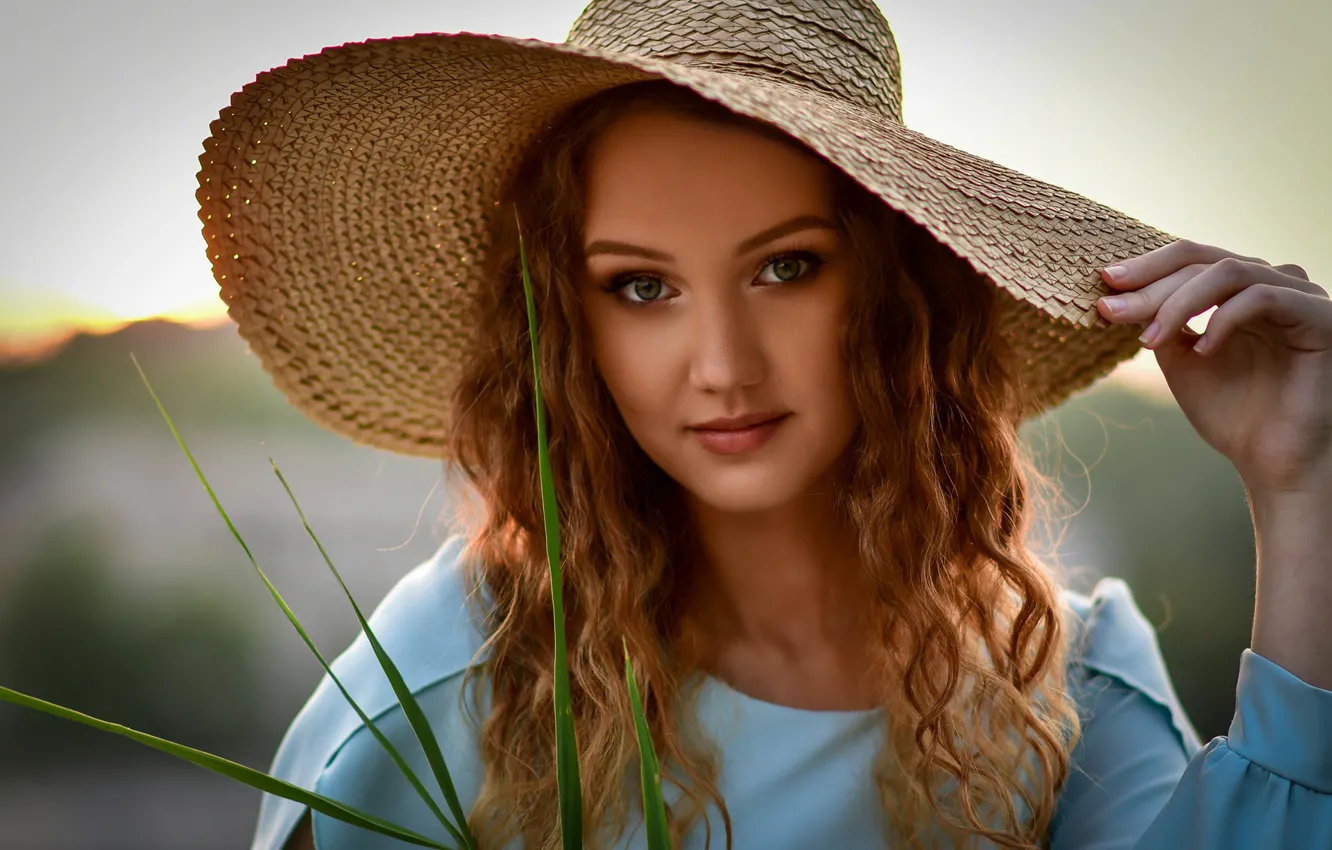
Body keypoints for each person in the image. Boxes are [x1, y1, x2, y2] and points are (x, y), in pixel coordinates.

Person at [197, 1, 1332, 848]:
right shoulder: (469, 671)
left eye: (787, 268)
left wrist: (1302, 486)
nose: (723, 367)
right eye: (641, 286)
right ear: (567, 328)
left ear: (897, 295)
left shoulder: (1065, 683)